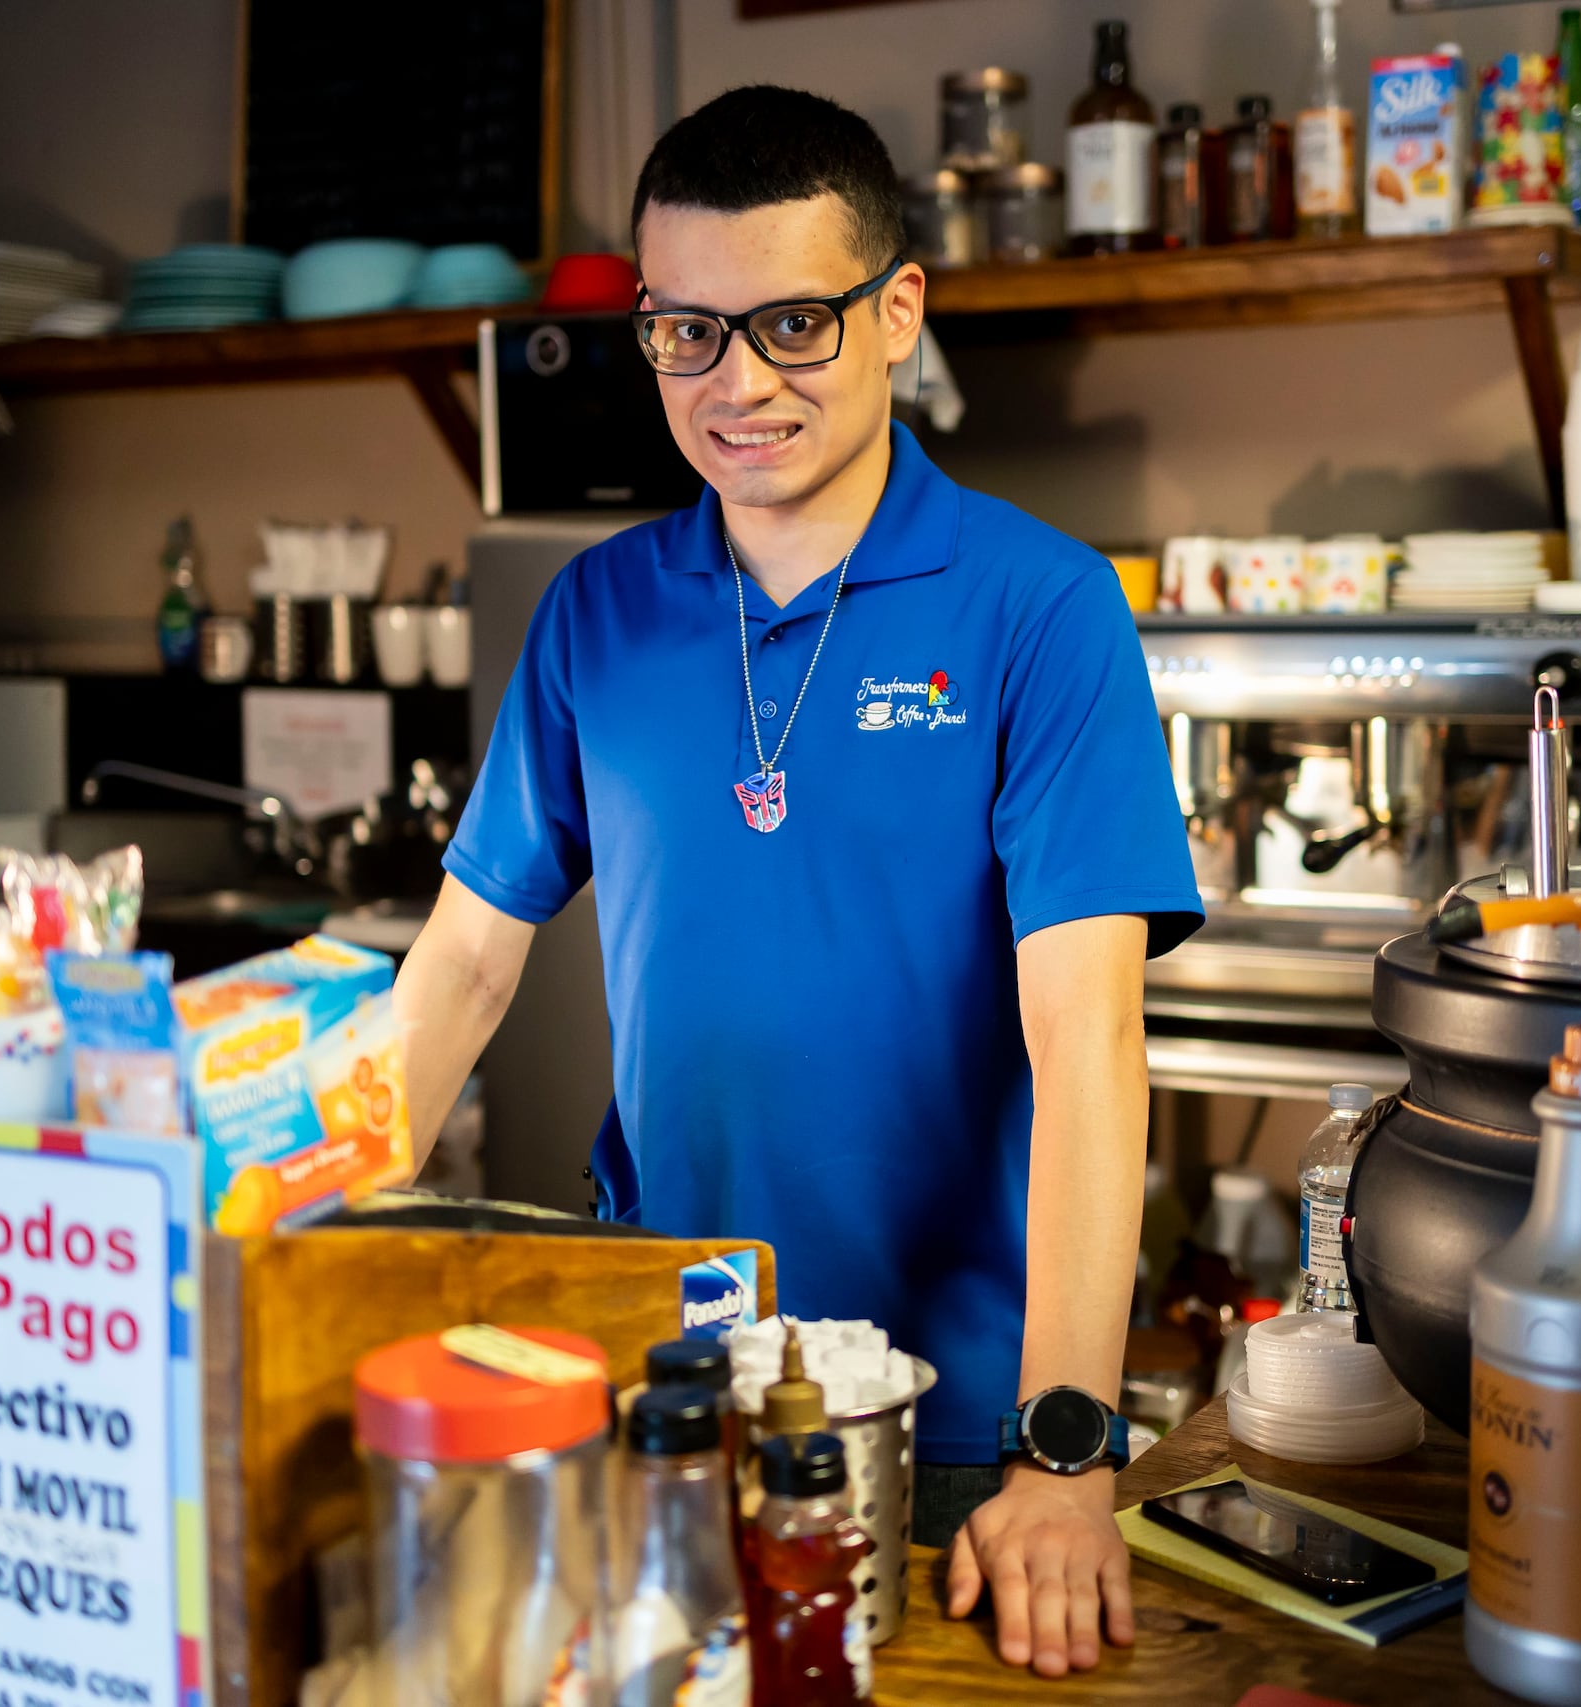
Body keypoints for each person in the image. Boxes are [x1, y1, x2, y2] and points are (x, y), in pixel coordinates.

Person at [393, 85, 1199, 1678]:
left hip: (955, 1431)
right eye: (686, 332)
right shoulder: (596, 615)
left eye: (793, 324)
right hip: (669, 1392)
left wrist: (1066, 1451)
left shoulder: (1039, 608)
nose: (737, 382)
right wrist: (267, 1244)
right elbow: (462, 970)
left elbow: (1090, 1040)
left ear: (897, 313)